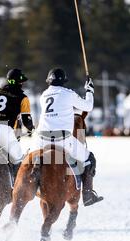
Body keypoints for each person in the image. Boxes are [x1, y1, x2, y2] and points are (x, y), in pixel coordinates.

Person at [35, 68, 103, 207]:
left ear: (49, 80)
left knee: (25, 159)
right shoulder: (67, 94)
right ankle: (88, 195)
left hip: (41, 140)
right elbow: (88, 106)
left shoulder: (43, 95)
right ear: (63, 81)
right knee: (89, 159)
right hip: (63, 140)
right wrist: (89, 90)